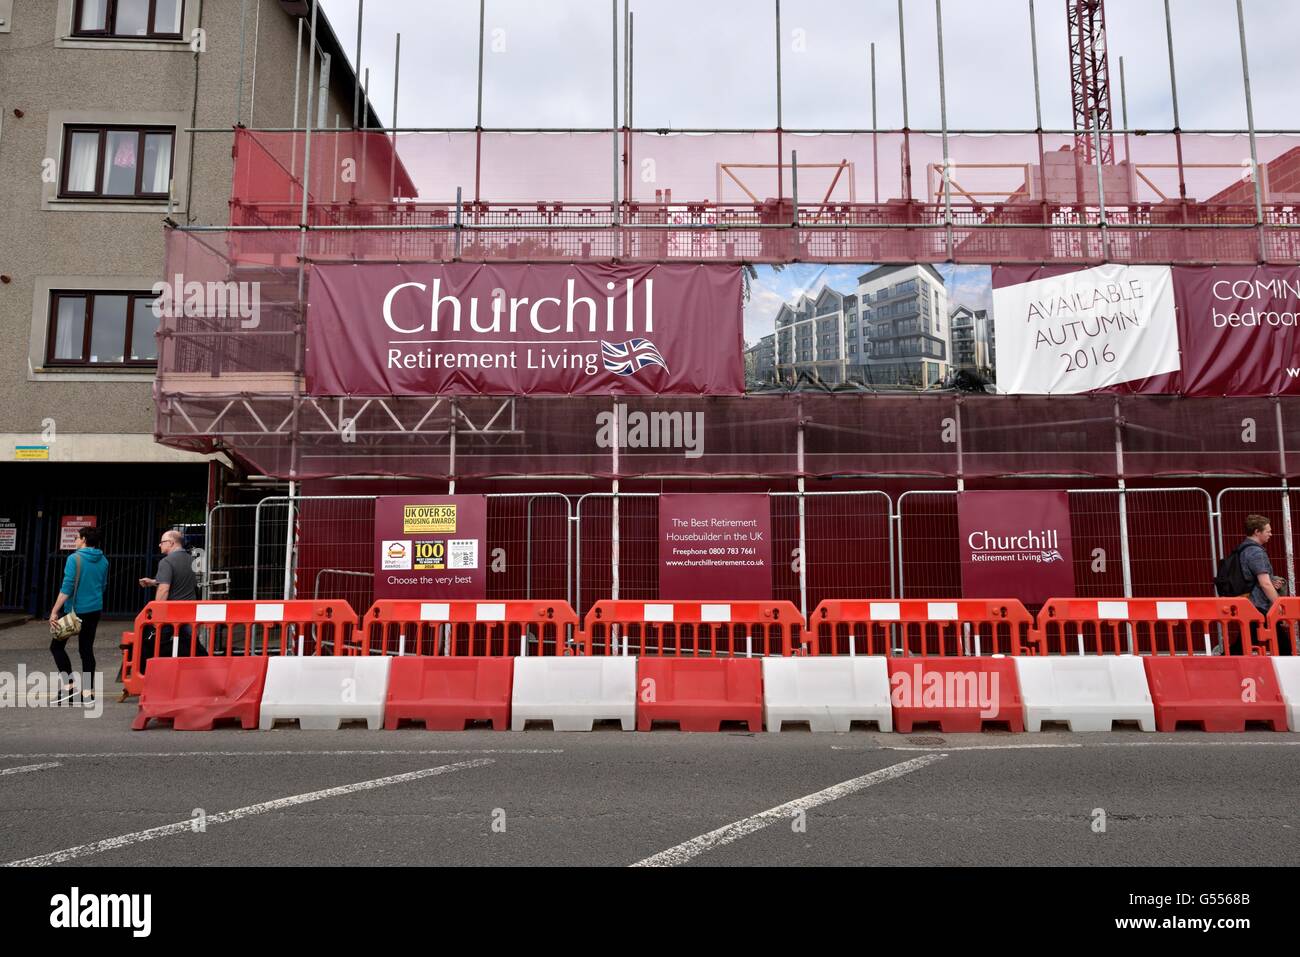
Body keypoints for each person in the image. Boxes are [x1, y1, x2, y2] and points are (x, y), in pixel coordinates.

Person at [47, 525, 109, 704]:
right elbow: (103, 585)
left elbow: (66, 588)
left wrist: (54, 611)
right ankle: (88, 692)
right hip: (94, 609)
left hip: (75, 611)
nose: (75, 540)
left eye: (77, 537)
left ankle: (69, 686)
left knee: (56, 646)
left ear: (83, 539)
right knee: (86, 649)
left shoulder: (75, 559)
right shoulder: (104, 560)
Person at [138, 529, 205, 670]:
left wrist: (156, 614)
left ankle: (152, 672)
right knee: (191, 644)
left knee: (156, 644)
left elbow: (164, 589)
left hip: (171, 613)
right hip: (189, 612)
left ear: (171, 543)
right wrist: (154, 581)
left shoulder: (166, 562)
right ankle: (199, 670)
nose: (159, 545)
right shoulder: (191, 560)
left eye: (162, 542)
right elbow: (180, 580)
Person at [1235, 514, 1294, 655]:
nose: (1271, 534)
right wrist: (1279, 606)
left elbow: (1253, 578)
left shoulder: (1243, 549)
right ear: (1257, 532)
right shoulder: (1256, 552)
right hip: (1260, 606)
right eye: (1268, 531)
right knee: (1284, 648)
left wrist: (1272, 580)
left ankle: (1217, 667)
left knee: (1241, 646)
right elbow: (1265, 583)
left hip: (1250, 605)